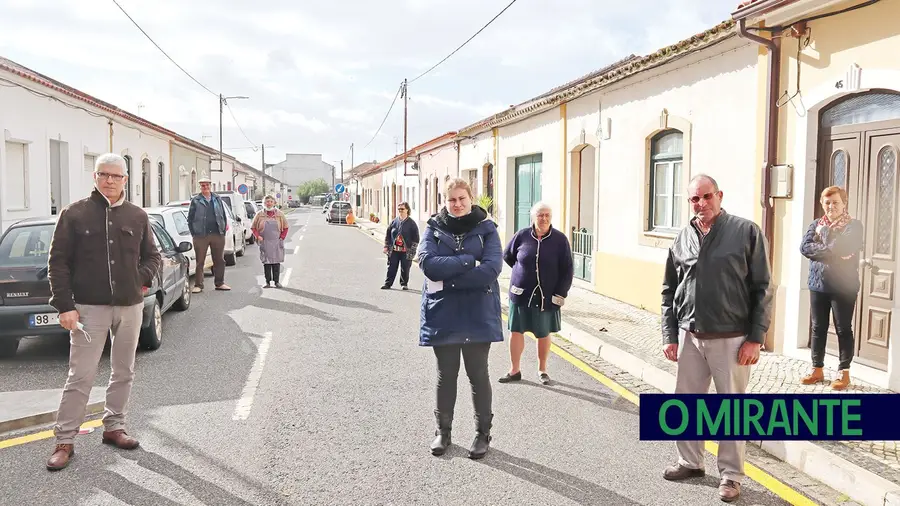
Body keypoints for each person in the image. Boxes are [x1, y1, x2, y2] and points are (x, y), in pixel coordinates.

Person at [45, 153, 162, 471]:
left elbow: (153, 256)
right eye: (103, 174)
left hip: (129, 307)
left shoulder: (137, 216)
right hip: (87, 309)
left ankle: (114, 428)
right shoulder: (75, 214)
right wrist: (65, 306)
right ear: (94, 177)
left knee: (123, 371)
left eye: (116, 176)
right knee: (80, 376)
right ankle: (65, 441)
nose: (109, 180)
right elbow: (58, 263)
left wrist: (139, 279)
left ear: (126, 180)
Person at [660, 174, 772, 502]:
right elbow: (669, 289)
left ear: (719, 195)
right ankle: (690, 462)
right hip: (690, 335)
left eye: (707, 197)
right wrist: (670, 334)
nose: (701, 204)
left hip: (732, 339)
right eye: (695, 199)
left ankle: (731, 476)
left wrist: (756, 337)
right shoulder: (682, 237)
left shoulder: (745, 231)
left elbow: (763, 287)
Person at [417, 178, 503, 459]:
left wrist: (449, 278)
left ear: (471, 199)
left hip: (477, 313)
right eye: (452, 200)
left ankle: (482, 434)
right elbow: (428, 264)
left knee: (478, 375)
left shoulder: (487, 230)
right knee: (446, 375)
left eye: (462, 199)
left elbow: (491, 269)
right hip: (443, 314)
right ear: (445, 201)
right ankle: (443, 432)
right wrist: (468, 261)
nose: (457, 204)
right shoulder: (433, 227)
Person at [499, 201, 573, 385]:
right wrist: (521, 273)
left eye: (547, 215)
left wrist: (561, 293)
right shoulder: (522, 236)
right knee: (516, 331)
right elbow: (507, 255)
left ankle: (542, 370)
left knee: (543, 332)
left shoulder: (560, 240)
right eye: (540, 215)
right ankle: (514, 370)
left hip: (547, 295)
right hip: (521, 293)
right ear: (533, 217)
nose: (544, 218)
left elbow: (567, 269)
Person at [799, 185, 864, 390]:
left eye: (835, 202)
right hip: (818, 285)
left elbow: (845, 247)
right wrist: (833, 251)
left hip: (844, 287)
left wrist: (825, 233)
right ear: (821, 203)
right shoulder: (815, 224)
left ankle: (843, 372)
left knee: (843, 328)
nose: (831, 206)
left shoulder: (854, 226)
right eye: (827, 202)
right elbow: (805, 247)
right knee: (818, 328)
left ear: (844, 203)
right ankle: (817, 369)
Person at [187, 177, 230, 292]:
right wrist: (194, 233)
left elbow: (223, 215)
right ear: (200, 187)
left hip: (217, 233)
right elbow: (190, 219)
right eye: (202, 185)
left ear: (210, 186)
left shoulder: (217, 198)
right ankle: (198, 285)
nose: (205, 187)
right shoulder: (196, 200)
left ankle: (220, 283)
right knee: (200, 261)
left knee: (219, 260)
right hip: (201, 235)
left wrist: (223, 231)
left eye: (207, 185)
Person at [252, 195, 289, 288]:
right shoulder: (259, 214)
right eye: (267, 202)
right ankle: (267, 282)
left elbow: (285, 227)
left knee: (276, 262)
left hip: (276, 241)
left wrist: (282, 237)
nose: (269, 203)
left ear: (274, 203)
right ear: (264, 203)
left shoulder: (280, 214)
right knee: (267, 263)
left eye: (271, 201)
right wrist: (258, 236)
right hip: (265, 241)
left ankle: (277, 281)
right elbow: (253, 227)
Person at [382, 201, 420, 290]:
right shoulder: (394, 221)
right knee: (391, 267)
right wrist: (386, 246)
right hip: (394, 250)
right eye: (399, 209)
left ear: (407, 210)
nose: (400, 211)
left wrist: (413, 250)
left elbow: (416, 238)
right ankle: (388, 284)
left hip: (406, 251)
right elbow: (388, 235)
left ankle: (404, 284)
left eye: (402, 209)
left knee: (405, 268)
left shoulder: (412, 223)